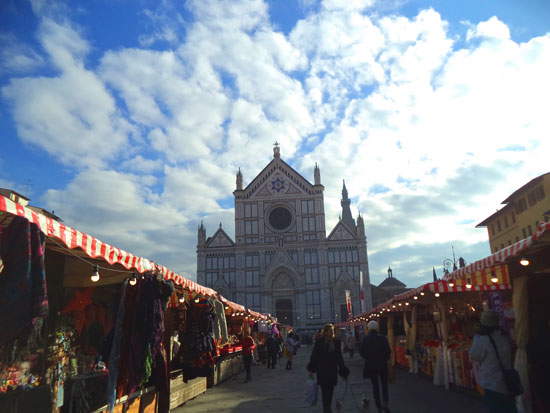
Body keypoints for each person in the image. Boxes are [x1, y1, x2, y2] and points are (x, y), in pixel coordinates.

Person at [469, 310, 518, 413]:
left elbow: (474, 356)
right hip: (507, 381)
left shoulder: (482, 339)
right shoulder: (504, 336)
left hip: (492, 383)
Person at [307, 324, 349, 413]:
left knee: (330, 392)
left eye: (332, 330)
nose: (331, 332)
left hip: (332, 371)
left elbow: (339, 358)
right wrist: (311, 369)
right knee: (324, 392)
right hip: (322, 371)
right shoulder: (319, 342)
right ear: (325, 332)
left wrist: (343, 370)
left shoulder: (336, 342)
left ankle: (327, 408)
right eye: (330, 330)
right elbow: (314, 356)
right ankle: (327, 409)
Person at [360, 320, 391, 412]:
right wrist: (385, 359)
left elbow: (362, 352)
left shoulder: (365, 339)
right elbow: (388, 351)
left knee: (375, 386)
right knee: (384, 384)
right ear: (377, 328)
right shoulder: (383, 338)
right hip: (382, 365)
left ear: (369, 328)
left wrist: (368, 358)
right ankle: (385, 402)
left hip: (371, 365)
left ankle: (378, 405)